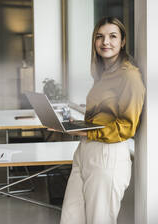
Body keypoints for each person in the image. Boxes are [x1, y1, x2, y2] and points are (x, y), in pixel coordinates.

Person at [60, 17, 145, 224]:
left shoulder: (129, 76)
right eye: (100, 37)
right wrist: (78, 124)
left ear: (123, 41)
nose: (105, 42)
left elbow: (127, 126)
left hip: (108, 155)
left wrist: (87, 131)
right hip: (85, 152)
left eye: (112, 36)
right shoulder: (102, 74)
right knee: (70, 219)